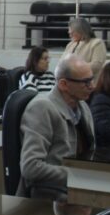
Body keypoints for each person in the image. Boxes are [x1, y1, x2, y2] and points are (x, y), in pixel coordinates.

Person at [18, 55, 95, 201]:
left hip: (75, 187)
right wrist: (78, 175)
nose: (92, 86)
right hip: (49, 194)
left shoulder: (83, 106)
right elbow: (31, 167)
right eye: (86, 82)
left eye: (92, 79)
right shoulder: (42, 108)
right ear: (64, 84)